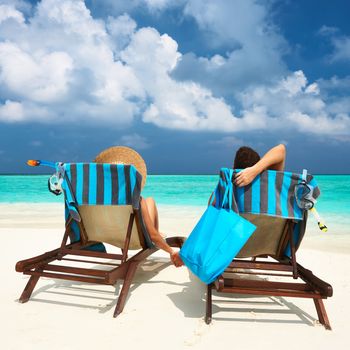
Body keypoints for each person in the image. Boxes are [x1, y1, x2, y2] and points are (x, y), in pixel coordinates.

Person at [94, 146, 183, 268]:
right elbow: (151, 236)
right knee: (149, 201)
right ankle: (157, 231)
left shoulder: (95, 199)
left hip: (109, 236)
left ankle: (157, 232)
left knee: (147, 202)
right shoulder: (134, 200)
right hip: (133, 240)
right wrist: (171, 252)